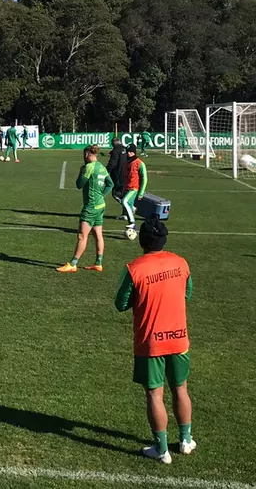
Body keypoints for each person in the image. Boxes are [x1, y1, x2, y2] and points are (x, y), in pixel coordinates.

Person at [115, 216, 195, 464]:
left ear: (142, 241)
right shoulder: (181, 263)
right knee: (180, 388)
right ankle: (185, 440)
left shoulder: (134, 268)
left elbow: (120, 304)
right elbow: (187, 294)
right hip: (179, 339)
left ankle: (161, 450)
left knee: (154, 395)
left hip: (151, 342)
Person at [57, 145, 113, 273]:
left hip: (91, 207)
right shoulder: (101, 167)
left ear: (87, 153)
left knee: (82, 236)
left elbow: (79, 185)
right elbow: (110, 184)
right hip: (100, 205)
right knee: (98, 234)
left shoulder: (89, 167)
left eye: (84, 154)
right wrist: (102, 196)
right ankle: (98, 263)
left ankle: (73, 264)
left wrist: (82, 171)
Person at [121, 143, 148, 234]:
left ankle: (132, 223)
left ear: (134, 153)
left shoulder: (139, 163)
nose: (129, 153)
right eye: (128, 152)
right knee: (128, 206)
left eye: (131, 152)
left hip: (134, 189)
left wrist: (141, 192)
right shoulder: (126, 163)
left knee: (124, 201)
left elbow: (144, 178)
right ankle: (131, 228)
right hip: (126, 189)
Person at [106, 137, 126, 217]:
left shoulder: (115, 151)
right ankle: (125, 213)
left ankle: (129, 208)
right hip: (126, 175)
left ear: (113, 143)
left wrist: (106, 171)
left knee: (116, 193)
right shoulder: (125, 149)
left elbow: (112, 164)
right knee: (124, 194)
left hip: (118, 175)